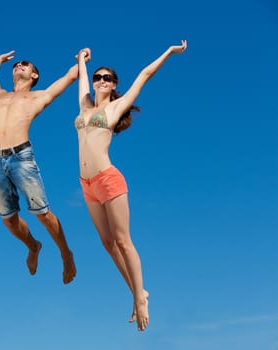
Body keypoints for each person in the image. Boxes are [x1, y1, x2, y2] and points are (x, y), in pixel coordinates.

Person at [74, 41, 187, 331]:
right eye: (98, 77)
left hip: (108, 179)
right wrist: (83, 61)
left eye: (106, 78)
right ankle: (136, 292)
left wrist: (169, 52)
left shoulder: (116, 107)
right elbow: (82, 80)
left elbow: (145, 75)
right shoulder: (85, 105)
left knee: (123, 241)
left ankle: (141, 298)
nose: (100, 81)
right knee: (107, 244)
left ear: (114, 86)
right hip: (87, 185)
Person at [0, 50, 85, 284]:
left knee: (43, 214)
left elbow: (70, 77)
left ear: (34, 74)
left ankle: (66, 254)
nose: (18, 65)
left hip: (21, 157)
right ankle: (33, 246)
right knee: (8, 220)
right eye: (16, 64)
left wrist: (81, 58)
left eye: (25, 64)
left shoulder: (39, 96)